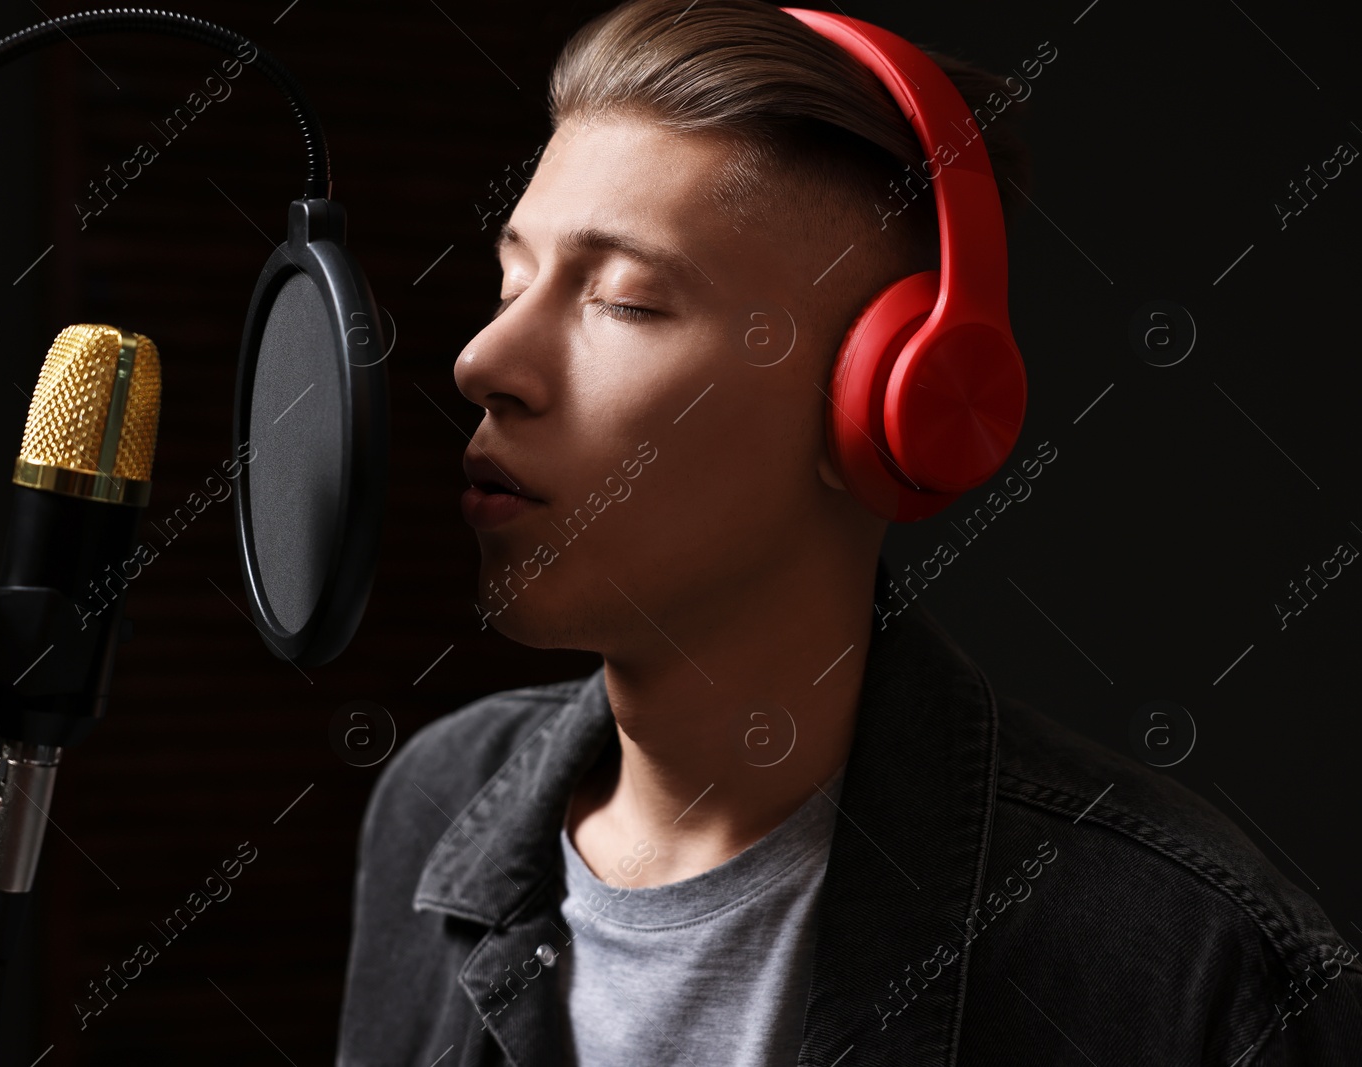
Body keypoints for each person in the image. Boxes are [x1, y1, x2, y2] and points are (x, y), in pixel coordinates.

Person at [336, 2, 1362, 1064]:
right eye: (512, 279)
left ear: (889, 403)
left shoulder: (1197, 965)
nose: (481, 360)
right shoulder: (436, 800)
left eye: (629, 300)